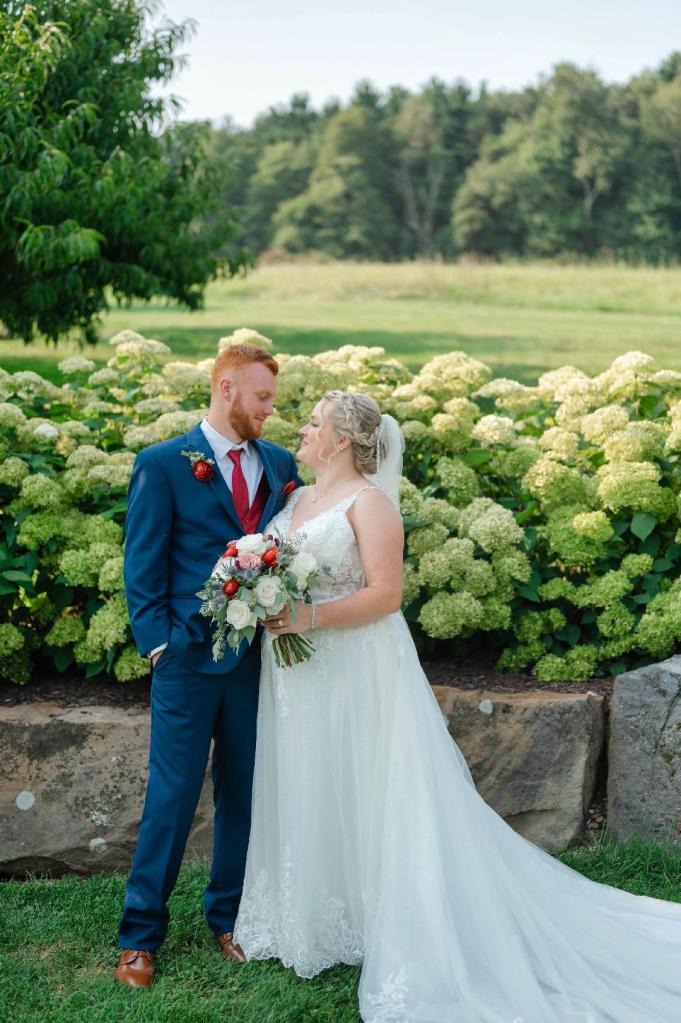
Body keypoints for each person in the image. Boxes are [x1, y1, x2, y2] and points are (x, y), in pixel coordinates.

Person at [233, 389, 681, 1023]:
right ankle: (315, 919)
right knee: (311, 777)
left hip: (357, 668)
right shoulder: (297, 499)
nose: (299, 431)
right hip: (298, 674)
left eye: (312, 425)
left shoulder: (371, 505)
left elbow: (387, 596)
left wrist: (307, 614)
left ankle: (391, 914)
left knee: (371, 782)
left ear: (340, 441)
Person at [114, 343, 303, 989]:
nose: (270, 410)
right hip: (187, 660)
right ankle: (140, 937)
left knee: (244, 793)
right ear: (226, 388)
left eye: (272, 399)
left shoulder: (279, 465)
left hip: (260, 664)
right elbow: (142, 564)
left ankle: (231, 918)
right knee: (171, 795)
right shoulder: (164, 463)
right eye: (262, 398)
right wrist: (161, 644)